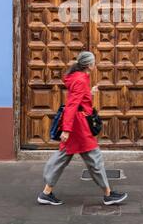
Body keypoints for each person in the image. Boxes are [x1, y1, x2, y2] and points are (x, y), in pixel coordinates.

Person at [37, 51, 128, 206]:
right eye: (93, 61)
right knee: (94, 158)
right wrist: (66, 130)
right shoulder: (80, 79)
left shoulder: (79, 77)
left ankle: (46, 192)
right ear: (88, 64)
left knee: (62, 157)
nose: (95, 63)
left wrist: (89, 92)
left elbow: (79, 100)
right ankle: (108, 194)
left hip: (76, 124)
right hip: (78, 126)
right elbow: (72, 105)